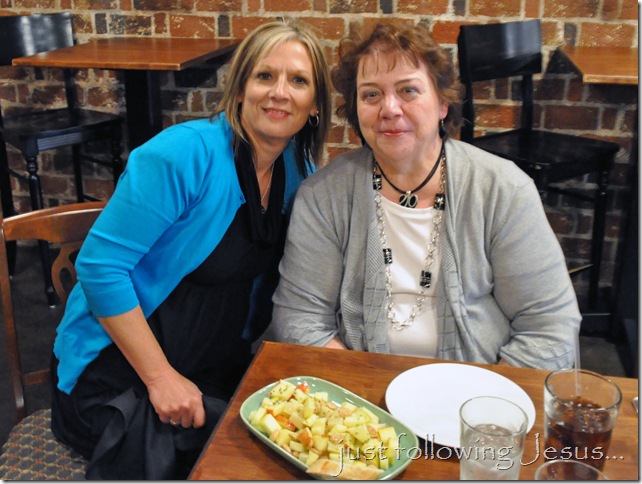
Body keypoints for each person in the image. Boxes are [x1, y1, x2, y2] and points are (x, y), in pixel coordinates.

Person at [50, 20, 331, 479]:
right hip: (124, 373)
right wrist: (161, 377)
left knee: (294, 448)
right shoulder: (182, 155)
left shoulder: (298, 169)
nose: (279, 92)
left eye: (298, 81)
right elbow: (100, 267)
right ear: (240, 89)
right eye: (265, 76)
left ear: (315, 104)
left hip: (215, 366)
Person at [272, 23, 581, 370]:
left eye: (408, 90)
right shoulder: (323, 196)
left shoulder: (503, 190)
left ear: (442, 103)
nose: (390, 108)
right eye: (371, 95)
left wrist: (486, 397)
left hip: (479, 386)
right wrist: (359, 391)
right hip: (359, 390)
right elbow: (298, 316)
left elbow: (549, 327)